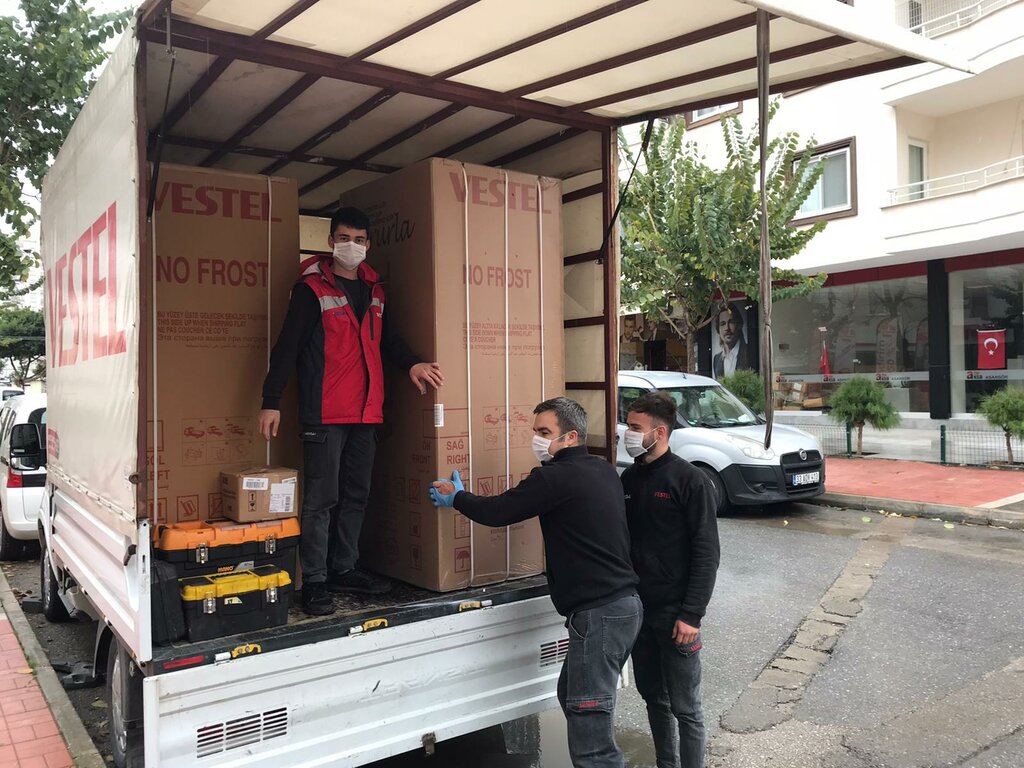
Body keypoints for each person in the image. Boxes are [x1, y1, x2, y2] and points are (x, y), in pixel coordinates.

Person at [429, 397, 640, 768]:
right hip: (624, 609)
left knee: (592, 739)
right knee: (573, 695)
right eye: (535, 431)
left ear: (570, 436)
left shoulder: (553, 478)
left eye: (545, 432)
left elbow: (500, 511)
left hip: (599, 614)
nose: (537, 439)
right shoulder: (603, 470)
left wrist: (458, 497)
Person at [259, 207, 444, 616]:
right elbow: (287, 347)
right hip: (324, 413)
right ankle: (315, 580)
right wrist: (271, 401)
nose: (352, 246)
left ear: (368, 244)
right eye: (344, 238)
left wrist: (412, 363)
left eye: (359, 240)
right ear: (331, 242)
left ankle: (344, 568)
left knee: (357, 495)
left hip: (366, 413)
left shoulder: (376, 291)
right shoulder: (311, 291)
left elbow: (387, 340)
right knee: (321, 499)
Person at [620, 391, 720, 768]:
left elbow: (707, 552)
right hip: (639, 613)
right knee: (654, 699)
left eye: (635, 427)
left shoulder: (690, 480)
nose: (628, 434)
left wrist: (691, 615)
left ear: (659, 432)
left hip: (677, 617)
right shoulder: (629, 478)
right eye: (628, 425)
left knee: (686, 708)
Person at [712, 302, 752, 379]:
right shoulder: (716, 359)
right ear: (718, 329)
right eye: (722, 324)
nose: (727, 328)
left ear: (739, 325)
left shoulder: (749, 352)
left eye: (731, 322)